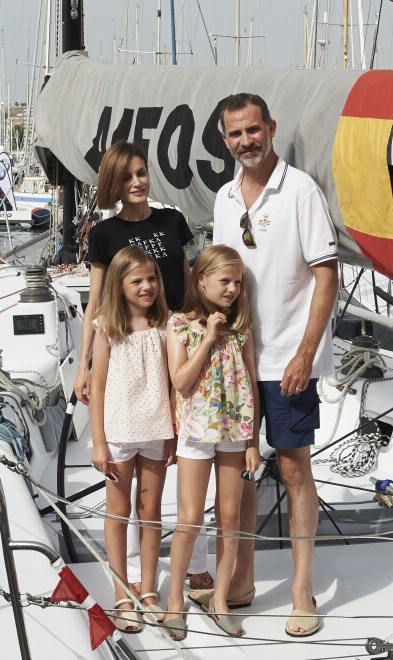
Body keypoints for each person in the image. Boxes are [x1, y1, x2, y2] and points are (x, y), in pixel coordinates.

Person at [208, 92, 338, 637]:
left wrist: (307, 353)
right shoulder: (223, 198)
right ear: (225, 138)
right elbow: (221, 280)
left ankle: (302, 588)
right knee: (239, 472)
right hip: (236, 360)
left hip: (288, 358)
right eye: (235, 134)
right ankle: (242, 579)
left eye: (253, 130)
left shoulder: (300, 191)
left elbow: (327, 275)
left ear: (271, 127)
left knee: (292, 468)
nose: (246, 141)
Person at [72, 140, 213, 591]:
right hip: (126, 343)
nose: (137, 182)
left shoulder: (173, 221)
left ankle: (192, 565)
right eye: (127, 176)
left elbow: (190, 288)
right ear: (114, 182)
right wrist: (83, 364)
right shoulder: (104, 234)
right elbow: (96, 300)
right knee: (127, 495)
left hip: (173, 341)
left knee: (190, 455)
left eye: (141, 173)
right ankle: (129, 580)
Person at [163, 245, 261, 640]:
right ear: (201, 280)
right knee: (189, 519)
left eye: (238, 282)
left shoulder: (243, 329)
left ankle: (220, 599)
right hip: (195, 431)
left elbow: (251, 383)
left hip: (235, 433)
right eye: (225, 281)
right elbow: (181, 381)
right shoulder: (179, 325)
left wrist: (254, 439)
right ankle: (174, 600)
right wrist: (207, 338)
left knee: (230, 518)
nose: (233, 289)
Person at [89, 246, 175, 633]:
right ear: (119, 284)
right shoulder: (107, 325)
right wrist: (99, 442)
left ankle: (150, 589)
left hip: (157, 427)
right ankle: (122, 591)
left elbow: (173, 382)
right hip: (120, 430)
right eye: (137, 280)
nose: (147, 286)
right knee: (118, 512)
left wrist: (173, 430)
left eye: (151, 278)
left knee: (150, 510)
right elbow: (98, 386)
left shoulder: (167, 324)